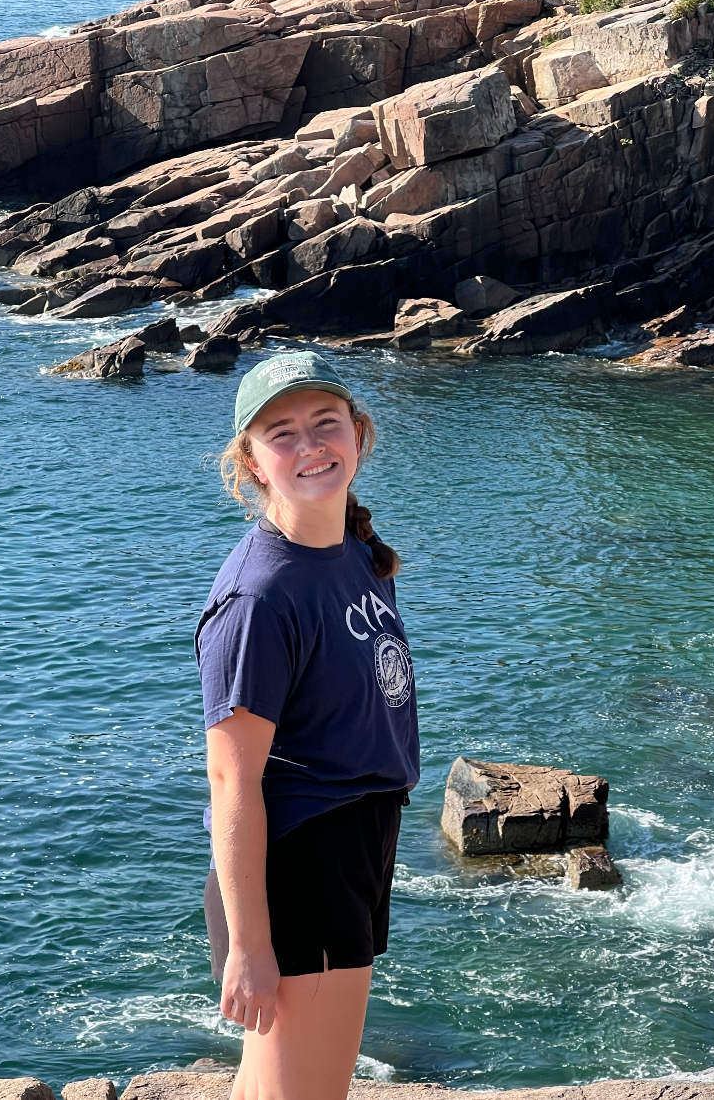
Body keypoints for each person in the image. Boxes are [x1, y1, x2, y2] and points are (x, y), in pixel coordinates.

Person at [194, 351, 420, 1100]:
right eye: (281, 433)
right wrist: (250, 946)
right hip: (303, 861)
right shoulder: (260, 599)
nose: (310, 444)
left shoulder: (354, 553)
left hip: (351, 837)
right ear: (254, 464)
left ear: (357, 434)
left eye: (325, 423)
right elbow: (231, 779)